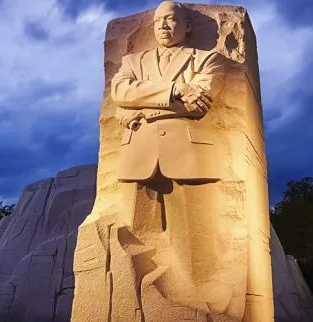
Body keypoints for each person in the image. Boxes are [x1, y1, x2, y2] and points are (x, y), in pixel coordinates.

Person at [107, 0, 237, 320]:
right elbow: (121, 93)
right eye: (158, 21)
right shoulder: (133, 61)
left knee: (195, 239)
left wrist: (141, 109)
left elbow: (200, 104)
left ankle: (200, 302)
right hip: (138, 156)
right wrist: (176, 90)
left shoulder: (209, 59)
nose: (163, 25)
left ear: (188, 25)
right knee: (133, 234)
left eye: (171, 20)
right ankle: (134, 302)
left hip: (188, 155)